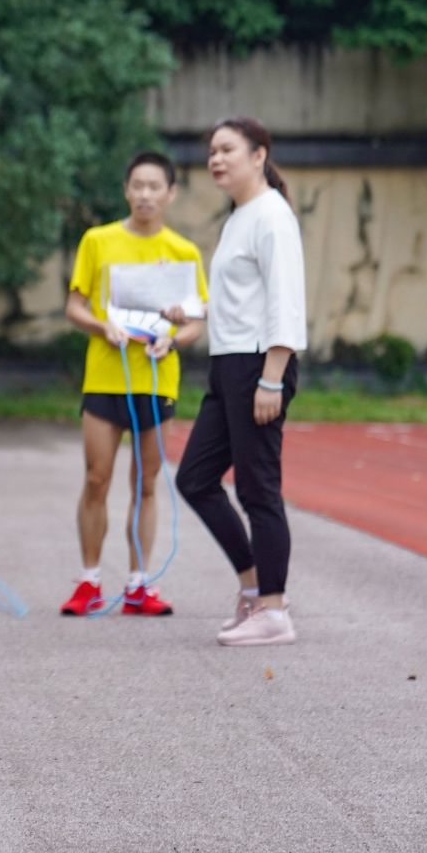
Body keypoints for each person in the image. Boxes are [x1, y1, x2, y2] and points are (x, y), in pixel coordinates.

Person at [167, 117, 307, 647]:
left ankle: (274, 610)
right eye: (211, 152)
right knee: (195, 479)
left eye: (227, 149)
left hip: (257, 366)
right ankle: (253, 588)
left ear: (258, 154)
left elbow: (284, 300)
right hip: (227, 366)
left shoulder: (272, 215)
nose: (216, 159)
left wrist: (272, 378)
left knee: (257, 489)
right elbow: (238, 294)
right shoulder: (240, 216)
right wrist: (192, 308)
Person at [60, 152, 208, 617]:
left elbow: (196, 321)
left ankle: (139, 585)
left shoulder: (183, 252)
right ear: (126, 189)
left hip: (156, 380)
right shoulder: (98, 241)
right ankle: (89, 582)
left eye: (154, 186)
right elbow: (75, 306)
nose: (145, 194)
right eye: (137, 185)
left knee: (145, 484)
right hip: (106, 377)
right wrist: (103, 327)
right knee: (96, 478)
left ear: (170, 193)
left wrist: (174, 337)